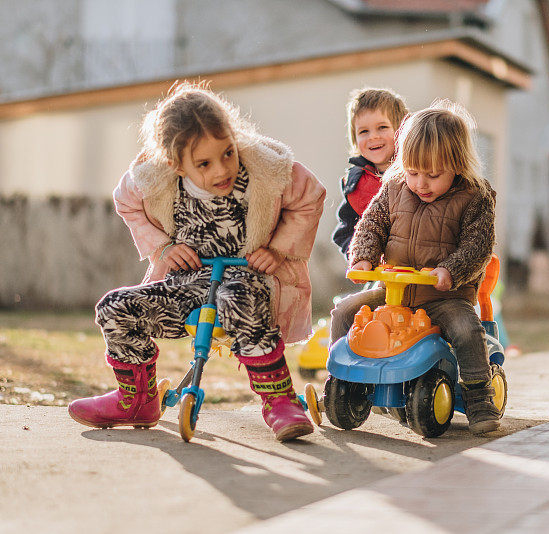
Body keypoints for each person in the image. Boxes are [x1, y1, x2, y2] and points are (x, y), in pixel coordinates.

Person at [67, 81, 326, 442]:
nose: (222, 170)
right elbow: (125, 202)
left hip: (246, 277)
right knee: (115, 307)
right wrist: (162, 246)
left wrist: (278, 249)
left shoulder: (268, 170)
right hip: (188, 282)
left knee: (239, 298)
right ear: (175, 164)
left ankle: (279, 400)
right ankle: (137, 401)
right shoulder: (154, 178)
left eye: (228, 153)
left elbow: (310, 198)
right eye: (204, 163)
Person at [329, 100, 501, 434]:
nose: (420, 183)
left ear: (457, 165)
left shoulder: (475, 198)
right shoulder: (393, 188)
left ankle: (480, 396)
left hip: (443, 296)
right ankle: (342, 380)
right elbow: (371, 224)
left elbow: (477, 245)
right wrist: (363, 256)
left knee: (467, 330)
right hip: (395, 293)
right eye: (412, 172)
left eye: (432, 175)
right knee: (343, 312)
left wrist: (450, 270)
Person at [331, 87, 408, 257]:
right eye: (364, 131)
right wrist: (360, 256)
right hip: (380, 272)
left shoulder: (415, 174)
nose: (373, 136)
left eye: (382, 127)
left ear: (401, 130)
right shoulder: (354, 182)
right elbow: (346, 230)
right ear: (355, 138)